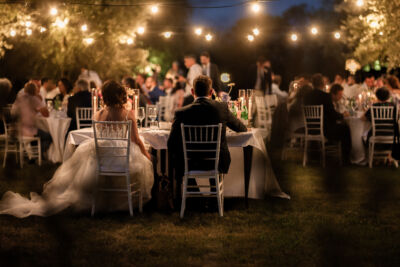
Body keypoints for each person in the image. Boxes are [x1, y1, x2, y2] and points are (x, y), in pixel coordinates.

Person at [0, 80, 154, 218]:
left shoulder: (98, 114)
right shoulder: (128, 114)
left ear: (105, 96)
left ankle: (103, 202)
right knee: (141, 163)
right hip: (121, 158)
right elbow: (136, 140)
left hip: (101, 156)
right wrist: (147, 155)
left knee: (86, 164)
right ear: (120, 95)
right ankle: (120, 203)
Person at [168, 75, 247, 193]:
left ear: (192, 91)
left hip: (190, 162)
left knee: (177, 155)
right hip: (217, 162)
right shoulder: (222, 108)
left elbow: (171, 143)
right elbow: (241, 128)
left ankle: (193, 192)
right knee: (217, 154)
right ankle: (214, 192)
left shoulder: (181, 112)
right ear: (211, 92)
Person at [304, 73, 351, 163]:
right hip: (325, 129)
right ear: (322, 84)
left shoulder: (306, 96)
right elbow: (332, 114)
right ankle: (346, 158)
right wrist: (342, 116)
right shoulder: (325, 96)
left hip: (310, 128)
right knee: (345, 128)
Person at [11, 82, 51, 154]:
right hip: (29, 130)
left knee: (39, 133)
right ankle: (37, 154)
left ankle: (31, 153)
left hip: (18, 129)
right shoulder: (34, 99)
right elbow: (46, 114)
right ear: (34, 91)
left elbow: (12, 112)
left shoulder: (19, 98)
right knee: (49, 137)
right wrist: (40, 101)